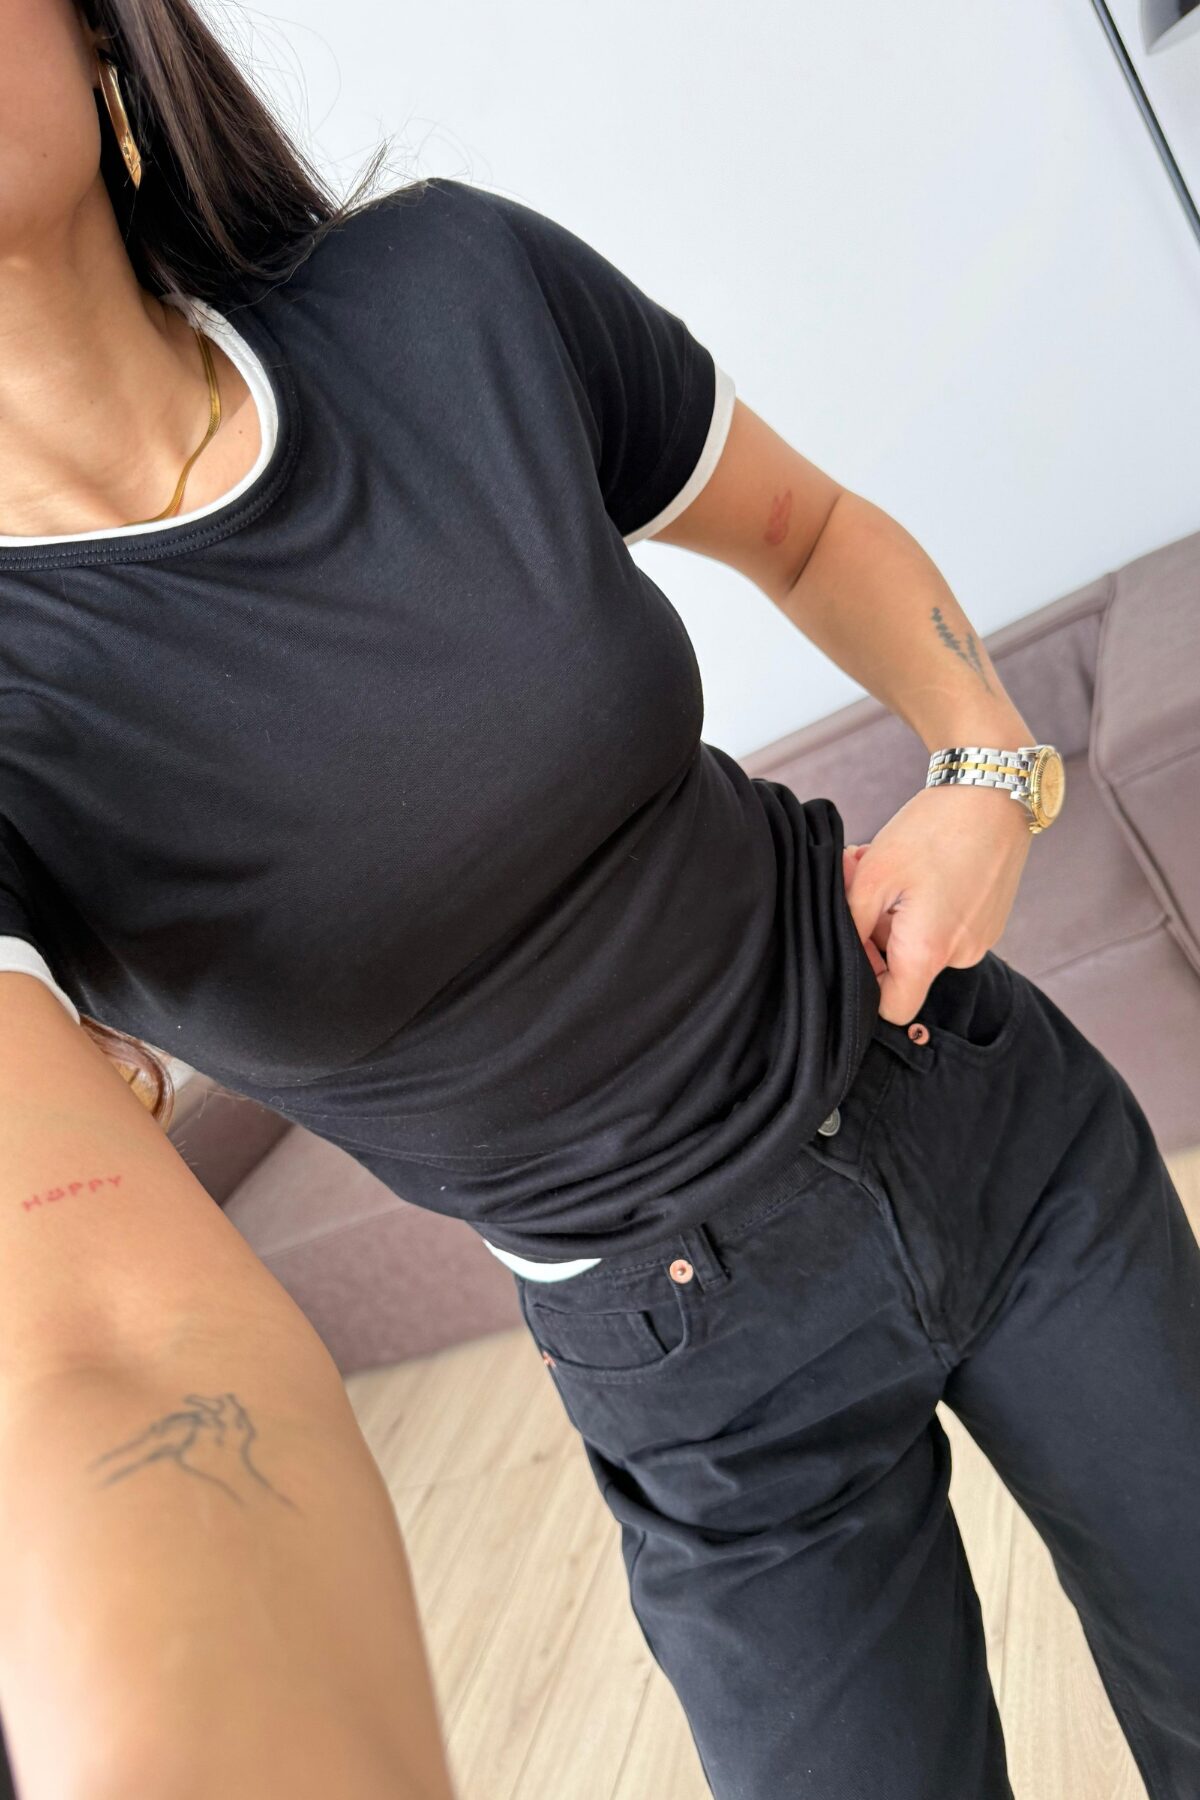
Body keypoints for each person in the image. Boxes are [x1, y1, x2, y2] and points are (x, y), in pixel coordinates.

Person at [1, 2, 1197, 1797]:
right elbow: (90, 1325)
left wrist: (987, 766)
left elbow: (805, 527)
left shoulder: (442, 291)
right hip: (695, 1372)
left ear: (103, 40)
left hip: (971, 1104)